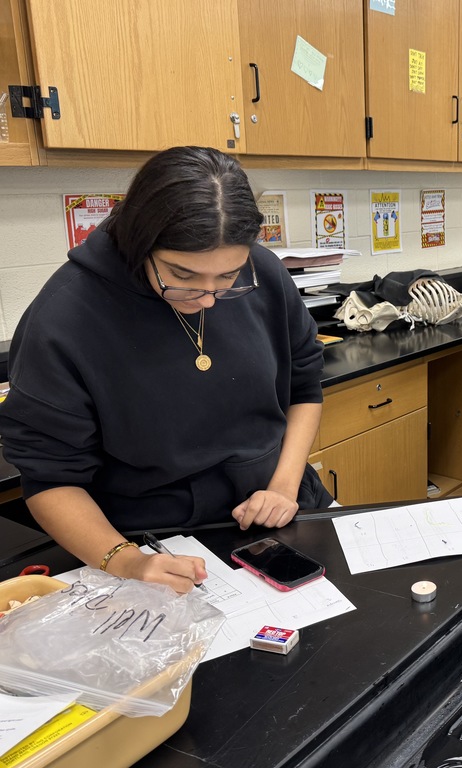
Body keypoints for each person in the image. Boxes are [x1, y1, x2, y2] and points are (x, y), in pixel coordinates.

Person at [0, 146, 332, 594]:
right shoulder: (65, 319)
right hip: (154, 545)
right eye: (183, 275)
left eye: (228, 277)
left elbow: (305, 387)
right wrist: (127, 562)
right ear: (141, 242)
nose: (208, 298)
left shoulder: (265, 274)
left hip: (283, 507)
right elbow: (50, 479)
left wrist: (284, 488)